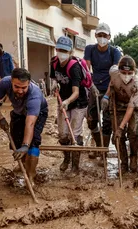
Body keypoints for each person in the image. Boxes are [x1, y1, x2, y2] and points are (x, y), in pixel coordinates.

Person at [0, 68, 48, 184]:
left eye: (23, 88)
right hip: (18, 111)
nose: (20, 91)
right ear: (11, 81)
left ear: (29, 83)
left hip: (38, 113)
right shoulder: (5, 83)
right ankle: (24, 164)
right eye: (17, 87)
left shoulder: (34, 95)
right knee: (16, 141)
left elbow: (30, 123)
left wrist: (25, 145)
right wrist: (1, 119)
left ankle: (31, 174)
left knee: (33, 142)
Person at [84, 23, 122, 163]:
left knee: (107, 121)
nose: (101, 38)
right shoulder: (90, 49)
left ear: (109, 37)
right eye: (99, 35)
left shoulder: (114, 52)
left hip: (109, 88)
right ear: (95, 36)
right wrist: (91, 85)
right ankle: (98, 146)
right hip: (93, 88)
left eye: (104, 35)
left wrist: (107, 94)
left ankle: (104, 153)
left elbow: (115, 75)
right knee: (91, 120)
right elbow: (86, 69)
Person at [50, 36, 88, 174]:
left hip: (78, 102)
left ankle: (75, 165)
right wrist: (54, 83)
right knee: (63, 134)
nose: (61, 53)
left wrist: (67, 101)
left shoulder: (74, 67)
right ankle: (66, 159)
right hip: (63, 100)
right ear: (56, 49)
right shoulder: (54, 62)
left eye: (64, 50)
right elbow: (54, 77)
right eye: (59, 49)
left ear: (70, 51)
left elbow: (76, 92)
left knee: (75, 134)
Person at [105, 55, 138, 173]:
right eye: (123, 72)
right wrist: (106, 97)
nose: (126, 76)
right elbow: (111, 85)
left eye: (130, 73)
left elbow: (131, 107)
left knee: (134, 132)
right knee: (118, 136)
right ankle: (123, 162)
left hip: (134, 106)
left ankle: (133, 157)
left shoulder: (137, 84)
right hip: (118, 104)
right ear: (119, 71)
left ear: (134, 71)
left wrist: (121, 126)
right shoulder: (114, 73)